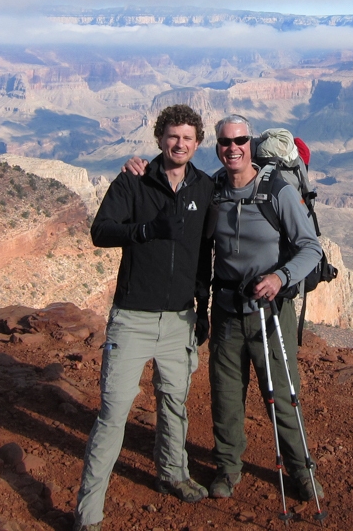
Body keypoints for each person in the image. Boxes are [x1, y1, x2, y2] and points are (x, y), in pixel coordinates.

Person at [74, 104, 214, 531]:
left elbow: (205, 256)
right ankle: (88, 514)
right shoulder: (134, 180)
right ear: (159, 138)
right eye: (173, 136)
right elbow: (101, 231)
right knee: (114, 413)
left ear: (197, 142)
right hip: (132, 319)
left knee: (174, 403)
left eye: (188, 138)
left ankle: (173, 473)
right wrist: (147, 230)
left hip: (178, 321)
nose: (180, 144)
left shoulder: (204, 188)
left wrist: (202, 310)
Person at [206, 114, 325, 502]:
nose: (233, 148)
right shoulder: (212, 191)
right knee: (225, 396)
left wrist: (280, 278)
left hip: (271, 314)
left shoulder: (277, 191)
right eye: (225, 142)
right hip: (226, 311)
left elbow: (311, 247)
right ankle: (227, 468)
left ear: (249, 143)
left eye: (240, 140)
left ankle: (302, 472)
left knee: (283, 394)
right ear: (217, 147)